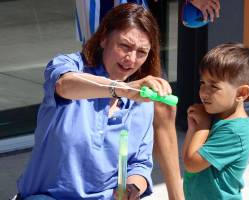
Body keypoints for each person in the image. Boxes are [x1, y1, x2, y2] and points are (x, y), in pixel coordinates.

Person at [17, 3, 174, 200]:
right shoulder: (70, 65)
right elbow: (64, 86)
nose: (131, 59)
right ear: (103, 38)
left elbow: (140, 164)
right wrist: (122, 90)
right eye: (124, 46)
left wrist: (133, 187)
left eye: (141, 52)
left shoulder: (142, 99)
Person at [75, 1, 220, 199]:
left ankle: (175, 196)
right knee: (94, 97)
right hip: (102, 11)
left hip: (131, 12)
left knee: (161, 104)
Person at [182, 43, 249, 200]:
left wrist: (202, 126)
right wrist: (193, 128)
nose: (204, 91)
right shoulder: (216, 115)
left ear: (241, 93)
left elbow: (192, 164)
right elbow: (187, 158)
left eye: (214, 86)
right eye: (203, 83)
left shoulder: (234, 132)